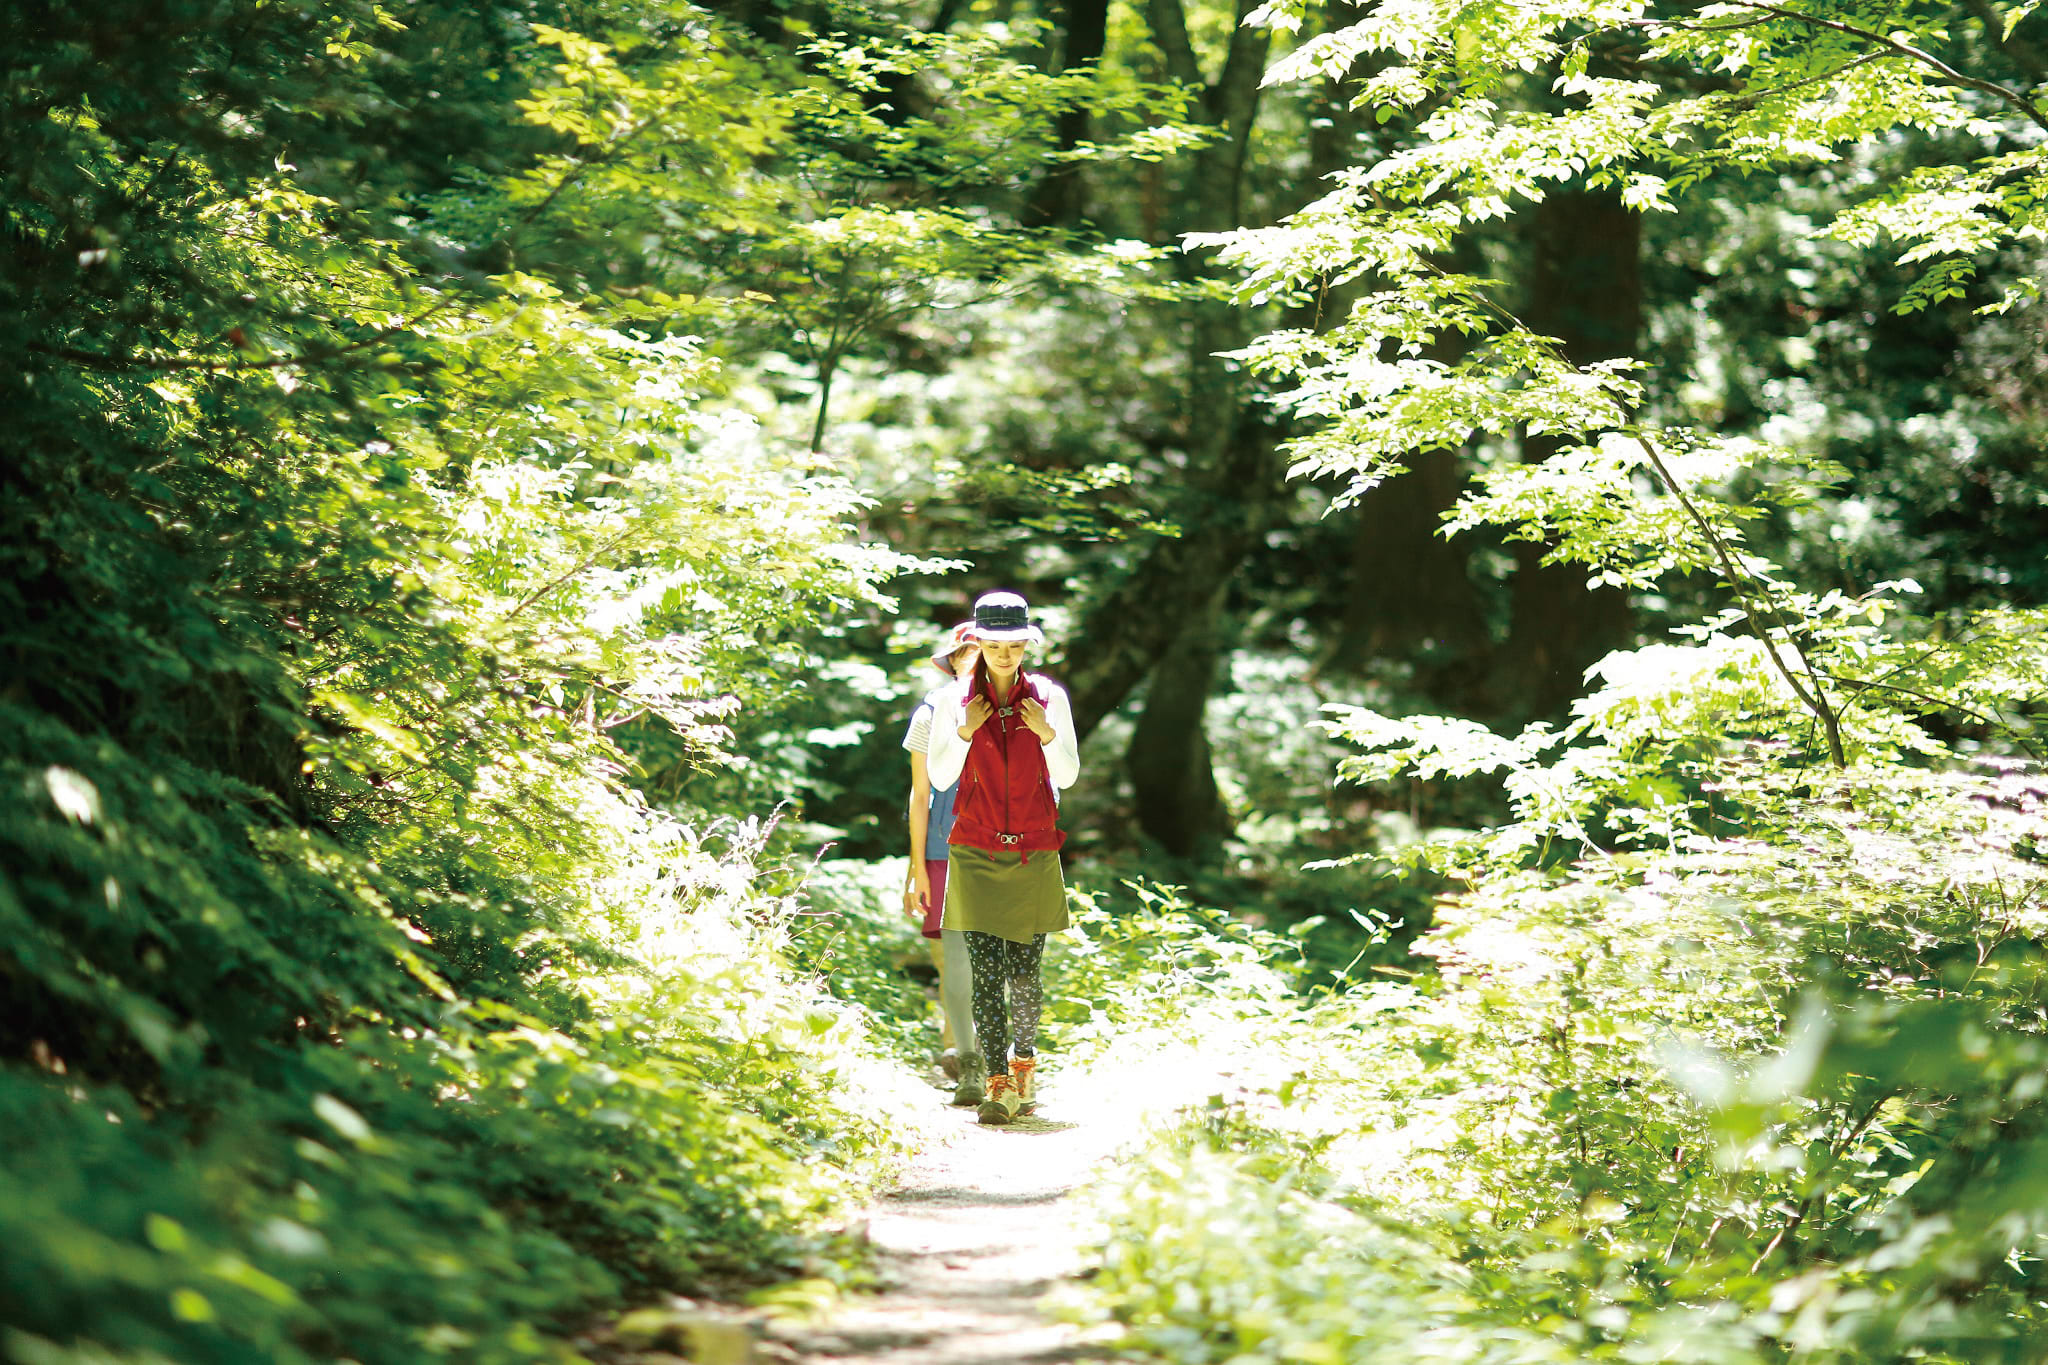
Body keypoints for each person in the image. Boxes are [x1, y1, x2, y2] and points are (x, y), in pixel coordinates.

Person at [924, 590, 1079, 1125]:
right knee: (987, 972)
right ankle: (997, 1083)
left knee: (1026, 973)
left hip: (1034, 848)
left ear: (1027, 644)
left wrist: (1047, 733)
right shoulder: (951, 702)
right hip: (973, 846)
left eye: (1015, 644)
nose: (1005, 654)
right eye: (995, 644)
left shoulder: (1050, 697)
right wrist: (965, 730)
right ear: (979, 642)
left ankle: (1024, 1064)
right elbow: (941, 777)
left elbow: (1067, 776)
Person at [901, 623, 984, 1106]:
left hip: (998, 847)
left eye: (982, 652)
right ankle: (957, 1048)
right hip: (939, 847)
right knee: (945, 952)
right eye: (966, 653)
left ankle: (976, 1051)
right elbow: (919, 794)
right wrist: (914, 868)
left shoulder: (1018, 706)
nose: (973, 660)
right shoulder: (930, 712)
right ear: (952, 661)